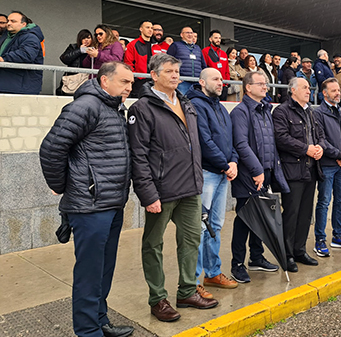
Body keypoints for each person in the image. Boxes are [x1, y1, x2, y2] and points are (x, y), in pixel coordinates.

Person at [39, 62, 135, 337]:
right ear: (104, 81)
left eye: (131, 83)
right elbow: (51, 147)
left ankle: (100, 321)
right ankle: (88, 331)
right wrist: (61, 185)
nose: (129, 87)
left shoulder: (114, 107)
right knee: (89, 273)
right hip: (90, 206)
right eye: (124, 82)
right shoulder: (86, 106)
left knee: (103, 270)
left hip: (111, 203)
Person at [128, 53, 217, 323]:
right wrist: (148, 194)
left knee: (191, 239)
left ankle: (187, 291)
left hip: (190, 188)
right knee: (153, 244)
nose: (176, 75)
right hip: (161, 190)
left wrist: (198, 180)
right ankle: (158, 299)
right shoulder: (142, 108)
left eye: (177, 71)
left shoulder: (186, 103)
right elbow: (138, 155)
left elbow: (195, 147)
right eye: (169, 71)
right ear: (154, 75)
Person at [229, 71, 289, 283]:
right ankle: (237, 264)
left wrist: (270, 171)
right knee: (245, 219)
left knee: (261, 217)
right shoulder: (240, 112)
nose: (266, 87)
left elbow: (270, 143)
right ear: (248, 87)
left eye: (266, 84)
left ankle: (256, 257)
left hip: (266, 173)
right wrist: (257, 171)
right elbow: (241, 144)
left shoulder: (265, 110)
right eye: (261, 84)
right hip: (249, 174)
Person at [185, 68, 239, 296]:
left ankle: (213, 273)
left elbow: (231, 140)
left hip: (222, 173)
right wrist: (226, 164)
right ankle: (194, 281)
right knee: (199, 229)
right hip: (207, 174)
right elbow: (204, 142)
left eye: (221, 79)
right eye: (215, 79)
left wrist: (233, 161)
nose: (221, 82)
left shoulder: (220, 107)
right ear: (201, 82)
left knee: (215, 226)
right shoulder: (196, 105)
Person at [273, 77, 325, 271]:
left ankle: (300, 249)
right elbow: (281, 138)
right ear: (292, 90)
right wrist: (306, 149)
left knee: (305, 213)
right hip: (293, 170)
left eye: (309, 88)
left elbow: (319, 135)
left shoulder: (310, 112)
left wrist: (319, 147)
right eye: (304, 87)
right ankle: (286, 255)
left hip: (311, 169)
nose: (308, 90)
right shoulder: (281, 111)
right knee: (291, 213)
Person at [313, 78, 341, 257]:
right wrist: (339, 156)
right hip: (328, 165)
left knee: (340, 201)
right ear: (325, 93)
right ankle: (320, 240)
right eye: (333, 91)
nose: (337, 93)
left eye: (338, 90)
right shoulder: (318, 113)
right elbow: (320, 140)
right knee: (324, 202)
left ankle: (338, 236)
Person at [0, 11, 44, 94]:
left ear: (23, 24)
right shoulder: (7, 36)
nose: (8, 23)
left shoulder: (31, 37)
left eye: (13, 21)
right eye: (8, 21)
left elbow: (27, 54)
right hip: (8, 84)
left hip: (20, 87)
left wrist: (3, 59)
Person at [167, 26, 205, 94]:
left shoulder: (197, 48)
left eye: (191, 33)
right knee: (182, 102)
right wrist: (175, 77)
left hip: (197, 82)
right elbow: (168, 63)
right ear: (181, 35)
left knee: (196, 102)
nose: (190, 35)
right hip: (183, 81)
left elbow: (203, 64)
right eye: (187, 33)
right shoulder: (175, 45)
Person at [58, 29, 93, 94]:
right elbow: (64, 58)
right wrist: (79, 50)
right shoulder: (73, 47)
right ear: (80, 39)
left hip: (87, 79)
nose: (86, 40)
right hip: (73, 79)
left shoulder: (94, 49)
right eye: (84, 38)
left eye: (88, 38)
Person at [124, 20, 154, 97]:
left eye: (152, 28)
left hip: (154, 80)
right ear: (141, 29)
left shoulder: (156, 46)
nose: (150, 30)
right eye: (147, 27)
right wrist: (134, 78)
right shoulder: (133, 44)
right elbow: (128, 63)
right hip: (139, 81)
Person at [202, 29, 230, 101]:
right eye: (216, 38)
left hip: (223, 86)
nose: (218, 40)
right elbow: (204, 68)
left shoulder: (223, 53)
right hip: (212, 85)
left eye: (219, 38)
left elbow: (227, 69)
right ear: (210, 39)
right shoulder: (205, 51)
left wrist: (226, 83)